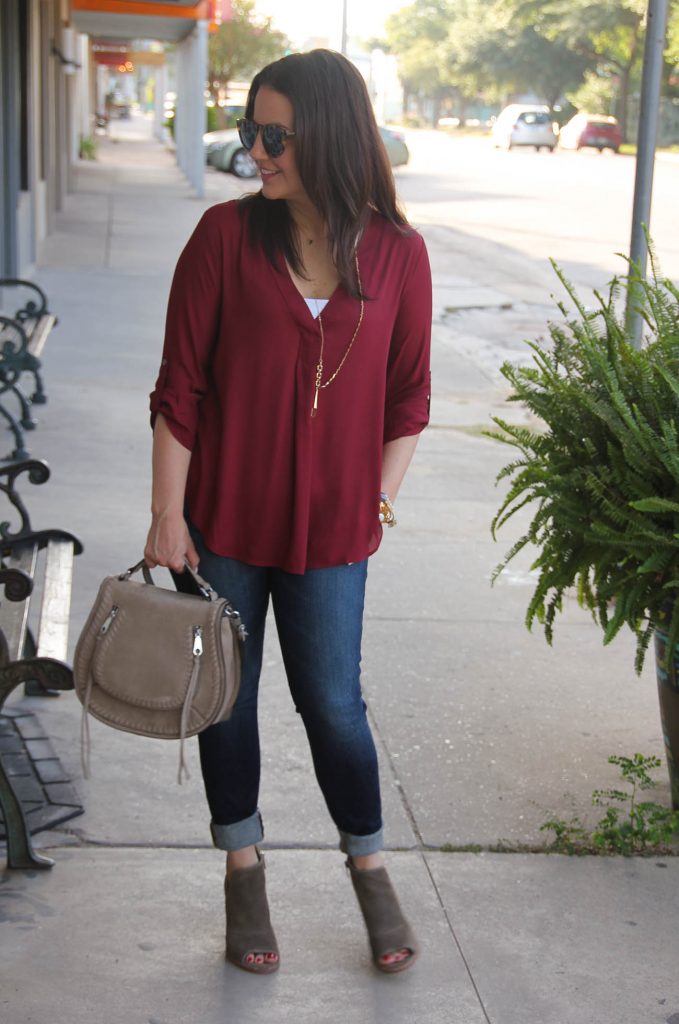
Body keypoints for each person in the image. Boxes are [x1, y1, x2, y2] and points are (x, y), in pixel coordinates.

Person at [145, 49, 431, 976]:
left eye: (275, 136)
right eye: (250, 133)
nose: (256, 151)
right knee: (227, 705)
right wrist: (165, 515)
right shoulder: (224, 239)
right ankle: (243, 868)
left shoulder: (398, 253)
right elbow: (178, 389)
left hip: (334, 536)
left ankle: (370, 867)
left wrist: (379, 498)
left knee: (334, 708)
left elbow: (409, 400)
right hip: (222, 524)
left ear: (331, 137)